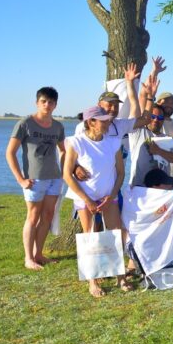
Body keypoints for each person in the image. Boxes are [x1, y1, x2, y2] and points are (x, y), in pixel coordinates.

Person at [63, 106, 131, 297]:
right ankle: (92, 281)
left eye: (108, 119)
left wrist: (112, 195)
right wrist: (87, 200)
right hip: (85, 198)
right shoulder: (76, 142)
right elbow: (67, 175)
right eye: (103, 120)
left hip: (109, 197)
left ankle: (120, 277)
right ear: (91, 122)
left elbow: (121, 173)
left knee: (115, 234)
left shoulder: (114, 142)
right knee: (90, 236)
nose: (108, 122)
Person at [6, 86, 67, 270]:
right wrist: (20, 179)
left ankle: (39, 254)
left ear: (55, 105)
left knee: (47, 216)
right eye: (43, 101)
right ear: (37, 102)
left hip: (54, 179)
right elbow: (10, 153)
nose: (47, 105)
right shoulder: (25, 123)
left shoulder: (58, 126)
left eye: (51, 102)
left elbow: (63, 150)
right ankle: (28, 258)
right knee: (33, 217)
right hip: (34, 179)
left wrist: (64, 171)